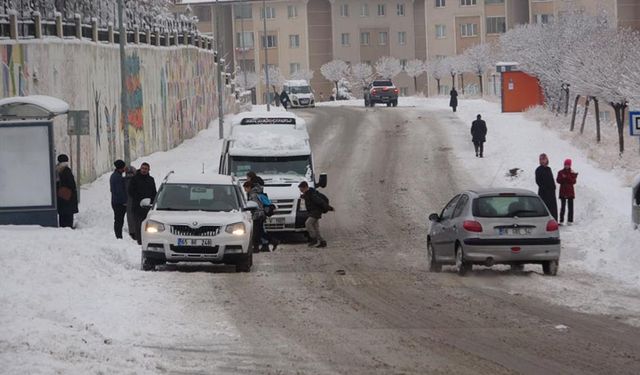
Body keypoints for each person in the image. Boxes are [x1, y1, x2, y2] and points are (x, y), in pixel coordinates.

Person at [128, 162, 157, 244]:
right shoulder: (134, 179)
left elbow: (154, 192)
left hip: (148, 207)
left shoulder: (151, 180)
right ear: (140, 169)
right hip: (137, 207)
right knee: (139, 225)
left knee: (149, 226)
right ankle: (140, 241)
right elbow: (130, 191)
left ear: (149, 170)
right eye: (142, 168)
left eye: (146, 169)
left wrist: (152, 201)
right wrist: (139, 199)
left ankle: (149, 240)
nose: (144, 170)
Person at [298, 181, 332, 248]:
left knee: (308, 223)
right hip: (312, 212)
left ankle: (314, 239)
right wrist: (303, 196)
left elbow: (320, 202)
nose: (300, 190)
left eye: (301, 189)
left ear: (305, 187)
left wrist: (329, 208)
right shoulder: (308, 193)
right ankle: (322, 242)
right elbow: (307, 197)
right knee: (316, 228)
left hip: (315, 213)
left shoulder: (312, 194)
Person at [55, 154, 78, 228]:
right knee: (68, 216)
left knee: (62, 215)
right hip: (68, 196)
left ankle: (63, 227)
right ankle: (68, 228)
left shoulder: (57, 170)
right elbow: (71, 184)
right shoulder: (67, 170)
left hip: (61, 196)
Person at [535, 153, 558, 221]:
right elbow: (538, 181)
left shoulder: (548, 169)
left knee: (553, 208)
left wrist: (553, 187)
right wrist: (545, 188)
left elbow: (551, 179)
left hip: (551, 192)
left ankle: (554, 221)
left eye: (544, 159)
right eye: (541, 159)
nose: (543, 161)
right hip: (543, 193)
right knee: (544, 208)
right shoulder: (538, 169)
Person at [556, 158, 578, 225]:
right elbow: (558, 180)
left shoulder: (572, 172)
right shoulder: (560, 172)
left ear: (570, 165)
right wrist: (563, 178)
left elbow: (574, 181)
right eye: (565, 164)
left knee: (570, 207)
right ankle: (561, 220)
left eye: (568, 165)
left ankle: (570, 220)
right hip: (563, 191)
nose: (566, 166)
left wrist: (567, 177)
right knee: (563, 207)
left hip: (570, 192)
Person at [110, 159, 128, 239]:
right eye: (123, 167)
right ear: (120, 168)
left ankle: (118, 236)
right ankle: (118, 237)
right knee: (119, 220)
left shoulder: (116, 176)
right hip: (119, 203)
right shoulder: (117, 177)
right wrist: (124, 201)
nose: (124, 169)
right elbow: (119, 191)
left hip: (116, 202)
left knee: (119, 220)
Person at [124, 166, 137, 240]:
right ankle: (134, 232)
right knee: (134, 216)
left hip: (128, 201)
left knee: (130, 216)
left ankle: (132, 231)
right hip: (133, 201)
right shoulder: (134, 180)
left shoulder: (124, 180)